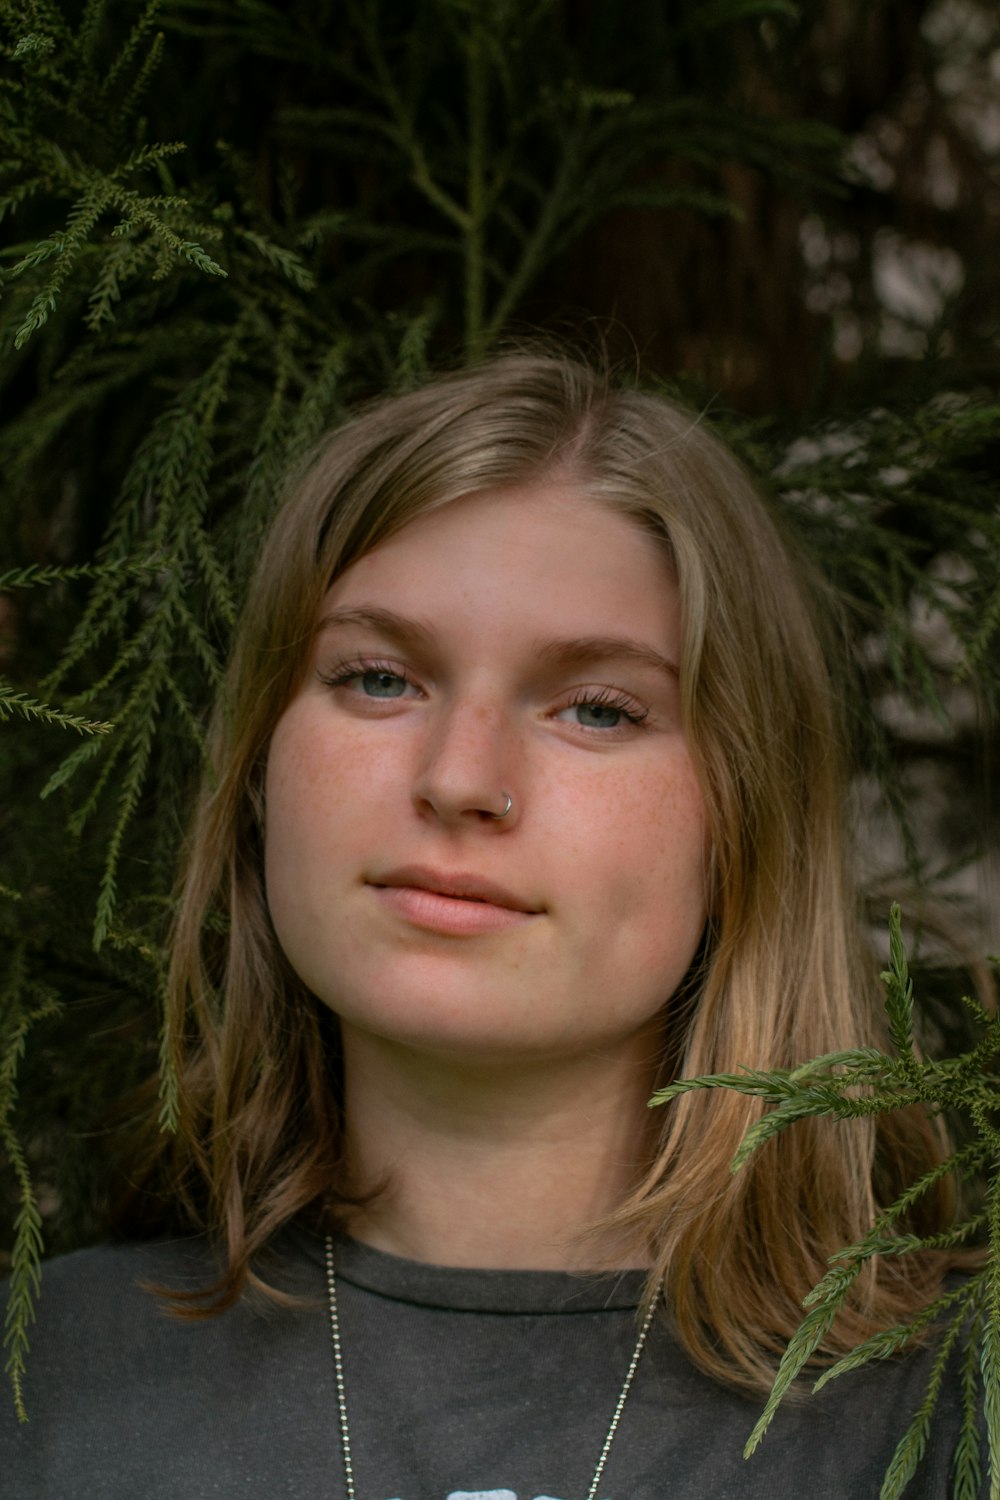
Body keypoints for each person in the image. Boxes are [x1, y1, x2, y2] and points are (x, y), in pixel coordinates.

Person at [1, 351, 978, 1498]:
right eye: (377, 678)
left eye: (597, 708)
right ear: (261, 760)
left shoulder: (951, 1413)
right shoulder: (44, 1383)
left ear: (746, 816)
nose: (461, 777)